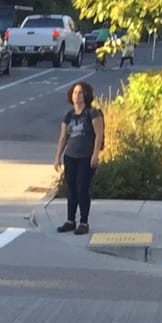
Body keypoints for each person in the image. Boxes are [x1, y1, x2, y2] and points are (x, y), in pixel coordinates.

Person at [53, 80, 105, 236]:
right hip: (71, 157)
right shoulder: (68, 116)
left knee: (82, 188)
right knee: (71, 189)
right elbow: (63, 138)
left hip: (86, 158)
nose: (77, 95)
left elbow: (99, 135)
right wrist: (57, 157)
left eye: (80, 92)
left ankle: (83, 222)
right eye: (75, 92)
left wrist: (95, 154)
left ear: (86, 95)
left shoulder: (92, 113)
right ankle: (70, 220)